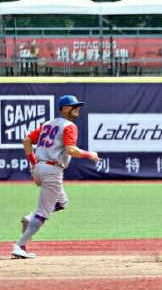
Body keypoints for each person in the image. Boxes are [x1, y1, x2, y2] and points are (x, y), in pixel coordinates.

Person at [12, 95, 100, 259]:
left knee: (61, 202)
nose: (78, 108)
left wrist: (33, 163)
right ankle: (20, 245)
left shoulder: (48, 124)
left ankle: (30, 218)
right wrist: (90, 155)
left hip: (39, 167)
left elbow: (26, 141)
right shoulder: (69, 126)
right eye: (74, 106)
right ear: (66, 109)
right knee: (43, 212)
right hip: (52, 170)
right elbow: (70, 150)